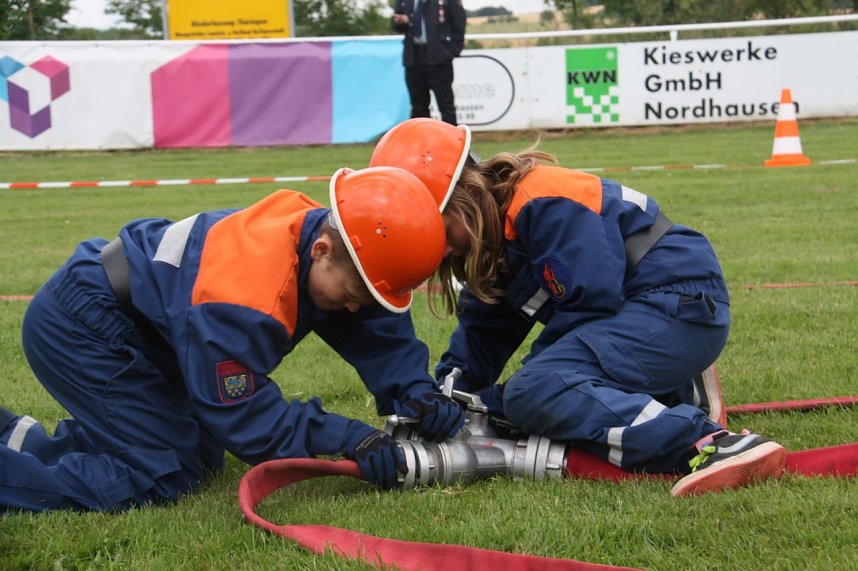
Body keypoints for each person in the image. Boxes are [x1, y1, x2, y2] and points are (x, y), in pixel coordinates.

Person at [0, 166, 465, 513]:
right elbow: (243, 416)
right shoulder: (245, 296)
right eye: (350, 295)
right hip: (86, 327)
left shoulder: (322, 235)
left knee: (200, 456)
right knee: (161, 472)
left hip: (133, 322)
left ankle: (12, 437)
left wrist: (414, 390)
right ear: (321, 251)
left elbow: (371, 324)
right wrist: (345, 436)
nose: (352, 308)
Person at [369, 118, 787, 497]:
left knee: (535, 392)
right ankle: (681, 394)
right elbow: (482, 334)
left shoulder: (542, 202)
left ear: (464, 196)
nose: (441, 249)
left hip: (675, 304)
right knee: (537, 392)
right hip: (662, 308)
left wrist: (502, 400)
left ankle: (708, 443)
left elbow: (589, 306)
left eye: (439, 231)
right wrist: (447, 395)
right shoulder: (501, 227)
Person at [392, 0, 466, 126]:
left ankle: (451, 138)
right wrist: (401, 22)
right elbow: (396, 25)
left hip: (439, 58)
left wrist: (452, 51)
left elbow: (459, 23)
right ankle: (423, 138)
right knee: (418, 108)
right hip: (413, 58)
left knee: (446, 105)